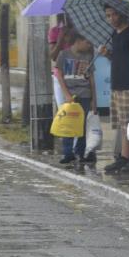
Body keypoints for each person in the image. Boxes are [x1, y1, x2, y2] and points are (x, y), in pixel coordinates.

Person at [101, 5, 129, 175]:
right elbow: (119, 58)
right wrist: (107, 54)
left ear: (121, 14)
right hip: (117, 85)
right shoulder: (114, 34)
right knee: (123, 125)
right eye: (108, 15)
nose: (111, 18)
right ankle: (124, 158)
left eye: (114, 14)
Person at [55, 32, 97, 164]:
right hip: (69, 96)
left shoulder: (89, 56)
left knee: (82, 125)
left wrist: (94, 100)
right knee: (67, 124)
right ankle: (68, 153)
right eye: (87, 43)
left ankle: (80, 152)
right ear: (78, 41)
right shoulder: (63, 54)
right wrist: (66, 94)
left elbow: (91, 79)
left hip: (85, 95)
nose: (89, 46)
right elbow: (59, 76)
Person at [49, 14, 74, 109]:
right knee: (63, 109)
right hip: (60, 74)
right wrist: (60, 39)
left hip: (77, 75)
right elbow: (53, 57)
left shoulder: (79, 31)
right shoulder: (54, 31)